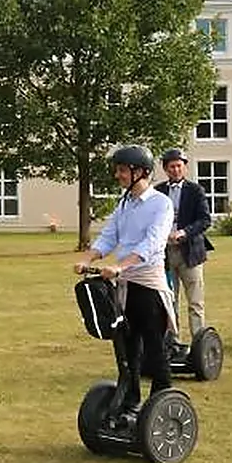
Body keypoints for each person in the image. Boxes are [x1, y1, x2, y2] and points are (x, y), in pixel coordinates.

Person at [74, 144, 175, 421]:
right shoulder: (125, 203)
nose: (117, 175)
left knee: (155, 349)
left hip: (148, 285)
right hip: (124, 285)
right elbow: (109, 236)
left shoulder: (161, 204)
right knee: (127, 347)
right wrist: (89, 257)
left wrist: (121, 265)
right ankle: (130, 401)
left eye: (121, 170)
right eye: (117, 170)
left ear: (139, 172)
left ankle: (163, 403)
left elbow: (152, 243)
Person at [158, 147, 213, 337]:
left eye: (179, 166)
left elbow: (205, 220)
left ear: (185, 167)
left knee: (195, 301)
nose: (176, 170)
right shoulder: (158, 191)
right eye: (171, 167)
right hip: (165, 254)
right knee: (169, 300)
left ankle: (199, 342)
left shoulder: (196, 190)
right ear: (165, 169)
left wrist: (184, 232)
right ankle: (172, 341)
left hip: (190, 252)